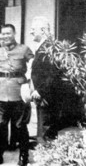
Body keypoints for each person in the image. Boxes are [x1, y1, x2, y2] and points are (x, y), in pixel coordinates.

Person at [0, 24, 34, 166]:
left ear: (14, 34)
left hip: (18, 92)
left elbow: (34, 66)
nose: (5, 36)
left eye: (8, 33)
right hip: (0, 92)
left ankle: (23, 156)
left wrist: (30, 86)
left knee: (20, 125)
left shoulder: (24, 49)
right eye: (3, 34)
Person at [30, 16, 65, 144]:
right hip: (44, 96)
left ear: (43, 30)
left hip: (48, 97)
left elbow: (54, 73)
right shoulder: (43, 47)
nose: (31, 32)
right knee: (43, 130)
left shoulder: (50, 48)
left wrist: (41, 91)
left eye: (34, 29)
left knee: (46, 131)